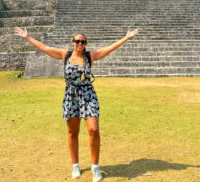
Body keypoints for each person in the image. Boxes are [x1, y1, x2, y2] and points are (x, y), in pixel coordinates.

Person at [14, 27, 139, 181]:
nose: (80, 44)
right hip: (71, 96)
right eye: (77, 41)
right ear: (72, 43)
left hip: (88, 95)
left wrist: (126, 37)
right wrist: (27, 37)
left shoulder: (90, 56)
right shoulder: (64, 55)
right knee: (73, 132)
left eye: (83, 41)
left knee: (93, 130)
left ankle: (95, 167)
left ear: (85, 44)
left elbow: (109, 49)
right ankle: (75, 166)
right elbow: (44, 48)